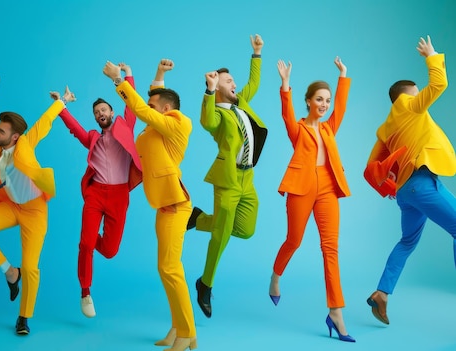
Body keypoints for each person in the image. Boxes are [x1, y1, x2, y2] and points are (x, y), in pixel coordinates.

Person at [103, 59, 196, 351]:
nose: (147, 111)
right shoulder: (156, 127)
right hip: (163, 203)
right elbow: (153, 103)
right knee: (166, 268)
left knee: (170, 268)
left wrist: (119, 81)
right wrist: (159, 75)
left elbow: (145, 108)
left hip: (175, 203)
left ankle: (187, 334)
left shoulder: (178, 122)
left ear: (166, 110)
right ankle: (179, 327)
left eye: (154, 106)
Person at [0, 75, 72, 335]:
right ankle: (10, 273)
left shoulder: (25, 143)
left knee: (31, 267)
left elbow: (44, 123)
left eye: (1, 132)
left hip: (34, 210)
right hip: (11, 206)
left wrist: (63, 102)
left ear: (14, 137)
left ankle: (24, 318)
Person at [365, 35, 455, 326]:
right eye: (416, 93)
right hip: (421, 182)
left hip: (406, 192)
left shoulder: (387, 127)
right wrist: (432, 55)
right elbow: (439, 85)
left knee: (407, 241)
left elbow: (372, 166)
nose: (420, 99)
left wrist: (390, 186)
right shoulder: (409, 105)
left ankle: (381, 293)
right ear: (406, 95)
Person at [268, 57, 354, 342]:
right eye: (319, 99)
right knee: (294, 240)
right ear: (308, 101)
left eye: (327, 100)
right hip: (301, 188)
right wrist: (285, 85)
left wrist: (343, 76)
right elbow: (286, 115)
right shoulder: (298, 128)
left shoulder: (330, 127)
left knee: (331, 249)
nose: (325, 104)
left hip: (328, 186)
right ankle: (276, 276)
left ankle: (336, 312)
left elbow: (341, 107)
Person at [50, 63, 141, 318]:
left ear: (112, 111)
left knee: (110, 250)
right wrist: (61, 106)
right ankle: (85, 291)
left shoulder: (125, 127)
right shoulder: (93, 138)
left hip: (119, 195)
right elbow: (74, 129)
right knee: (87, 244)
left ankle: (87, 240)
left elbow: (132, 105)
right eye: (96, 112)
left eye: (103, 109)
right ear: (96, 119)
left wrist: (126, 77)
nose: (100, 113)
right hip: (95, 193)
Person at [188, 34, 267, 318]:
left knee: (245, 230)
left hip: (249, 179)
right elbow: (206, 120)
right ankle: (205, 283)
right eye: (228, 81)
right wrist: (209, 92)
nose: (234, 84)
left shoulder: (241, 102)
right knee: (221, 237)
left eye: (234, 80)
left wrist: (256, 53)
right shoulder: (218, 116)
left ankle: (198, 219)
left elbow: (254, 83)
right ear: (217, 87)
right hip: (228, 179)